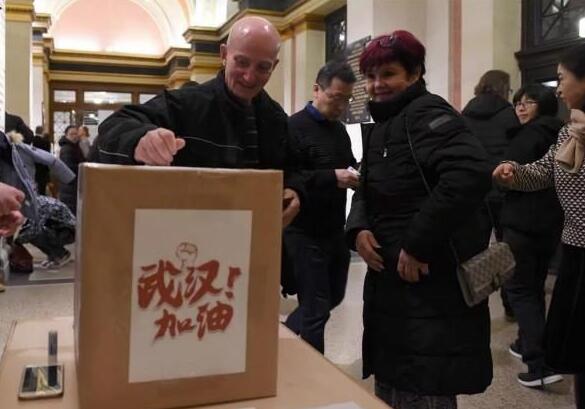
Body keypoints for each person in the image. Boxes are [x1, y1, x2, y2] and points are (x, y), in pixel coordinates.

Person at [345, 30, 493, 409]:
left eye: (388, 74)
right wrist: (358, 228)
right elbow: (366, 185)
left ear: (414, 74)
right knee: (395, 380)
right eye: (371, 76)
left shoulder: (427, 113)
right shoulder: (386, 123)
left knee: (425, 384)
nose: (377, 84)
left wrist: (416, 243)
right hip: (392, 286)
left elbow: (469, 173)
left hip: (428, 287)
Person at [94, 16, 303, 226]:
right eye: (242, 62)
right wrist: (140, 139)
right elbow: (114, 125)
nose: (249, 77)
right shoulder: (185, 104)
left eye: (262, 67)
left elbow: (295, 167)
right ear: (224, 55)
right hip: (189, 230)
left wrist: (294, 190)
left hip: (255, 231)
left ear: (274, 66)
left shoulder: (276, 117)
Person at [493, 43, 585, 408]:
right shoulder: (569, 132)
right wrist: (513, 173)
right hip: (575, 252)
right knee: (578, 352)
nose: (558, 89)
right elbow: (544, 171)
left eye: (563, 79)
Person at [283, 60, 358, 353]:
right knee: (315, 310)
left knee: (333, 297)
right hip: (303, 231)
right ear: (317, 89)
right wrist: (331, 177)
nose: (341, 106)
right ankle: (313, 374)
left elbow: (347, 163)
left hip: (334, 230)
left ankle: (282, 338)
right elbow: (289, 176)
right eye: (335, 97)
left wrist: (356, 173)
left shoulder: (339, 131)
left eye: (346, 100)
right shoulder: (294, 127)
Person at [501, 84, 564, 388]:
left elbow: (509, 178)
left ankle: (539, 365)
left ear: (545, 105)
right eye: (518, 103)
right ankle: (525, 342)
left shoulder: (527, 136)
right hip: (550, 225)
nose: (521, 107)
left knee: (520, 290)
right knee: (534, 287)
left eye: (529, 102)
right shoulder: (563, 134)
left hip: (522, 223)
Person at [462, 69, 519, 320]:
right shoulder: (509, 115)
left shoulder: (465, 114)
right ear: (503, 88)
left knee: (474, 247)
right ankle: (510, 303)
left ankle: (473, 297)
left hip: (475, 190)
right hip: (502, 189)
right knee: (507, 246)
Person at [58, 125, 85, 215]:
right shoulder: (67, 149)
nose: (74, 136)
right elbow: (70, 168)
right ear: (66, 135)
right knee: (71, 212)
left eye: (76, 134)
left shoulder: (75, 147)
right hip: (70, 187)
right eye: (71, 134)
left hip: (72, 187)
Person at [32, 126, 51, 195]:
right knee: (42, 188)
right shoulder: (45, 142)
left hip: (33, 166)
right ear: (42, 131)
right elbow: (48, 155)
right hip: (42, 167)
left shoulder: (31, 140)